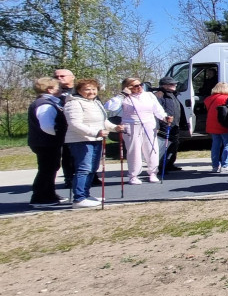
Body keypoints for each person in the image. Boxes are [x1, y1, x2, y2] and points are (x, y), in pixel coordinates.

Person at [64, 79, 121, 208]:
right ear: (79, 91)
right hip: (81, 140)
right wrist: (96, 132)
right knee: (84, 168)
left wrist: (115, 128)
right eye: (87, 89)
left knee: (92, 169)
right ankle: (79, 199)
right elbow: (74, 124)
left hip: (96, 139)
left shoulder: (95, 103)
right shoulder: (74, 103)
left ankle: (86, 194)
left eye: (94, 89)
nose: (91, 92)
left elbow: (103, 121)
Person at [105, 77, 169, 184]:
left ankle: (153, 172)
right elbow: (110, 107)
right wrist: (123, 95)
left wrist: (164, 117)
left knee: (152, 149)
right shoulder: (124, 97)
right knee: (134, 151)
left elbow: (157, 109)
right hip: (131, 125)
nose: (139, 87)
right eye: (135, 86)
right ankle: (133, 175)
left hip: (149, 124)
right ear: (128, 87)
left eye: (140, 84)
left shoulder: (149, 95)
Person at [27, 77, 67, 208]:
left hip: (47, 142)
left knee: (52, 167)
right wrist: (60, 135)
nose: (60, 89)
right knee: (46, 169)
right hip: (45, 142)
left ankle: (49, 194)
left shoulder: (51, 101)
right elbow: (47, 126)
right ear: (49, 90)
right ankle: (39, 197)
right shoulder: (45, 104)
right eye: (58, 87)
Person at [153, 77, 184, 172]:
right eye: (171, 84)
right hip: (164, 126)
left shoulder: (173, 95)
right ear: (164, 86)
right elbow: (156, 112)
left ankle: (170, 163)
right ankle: (162, 166)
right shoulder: (160, 96)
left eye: (174, 84)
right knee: (164, 147)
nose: (174, 85)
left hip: (174, 125)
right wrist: (158, 126)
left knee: (173, 146)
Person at [204, 82, 228, 172]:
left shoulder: (208, 99)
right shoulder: (227, 98)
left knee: (215, 145)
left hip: (212, 123)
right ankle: (225, 164)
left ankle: (215, 165)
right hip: (224, 124)